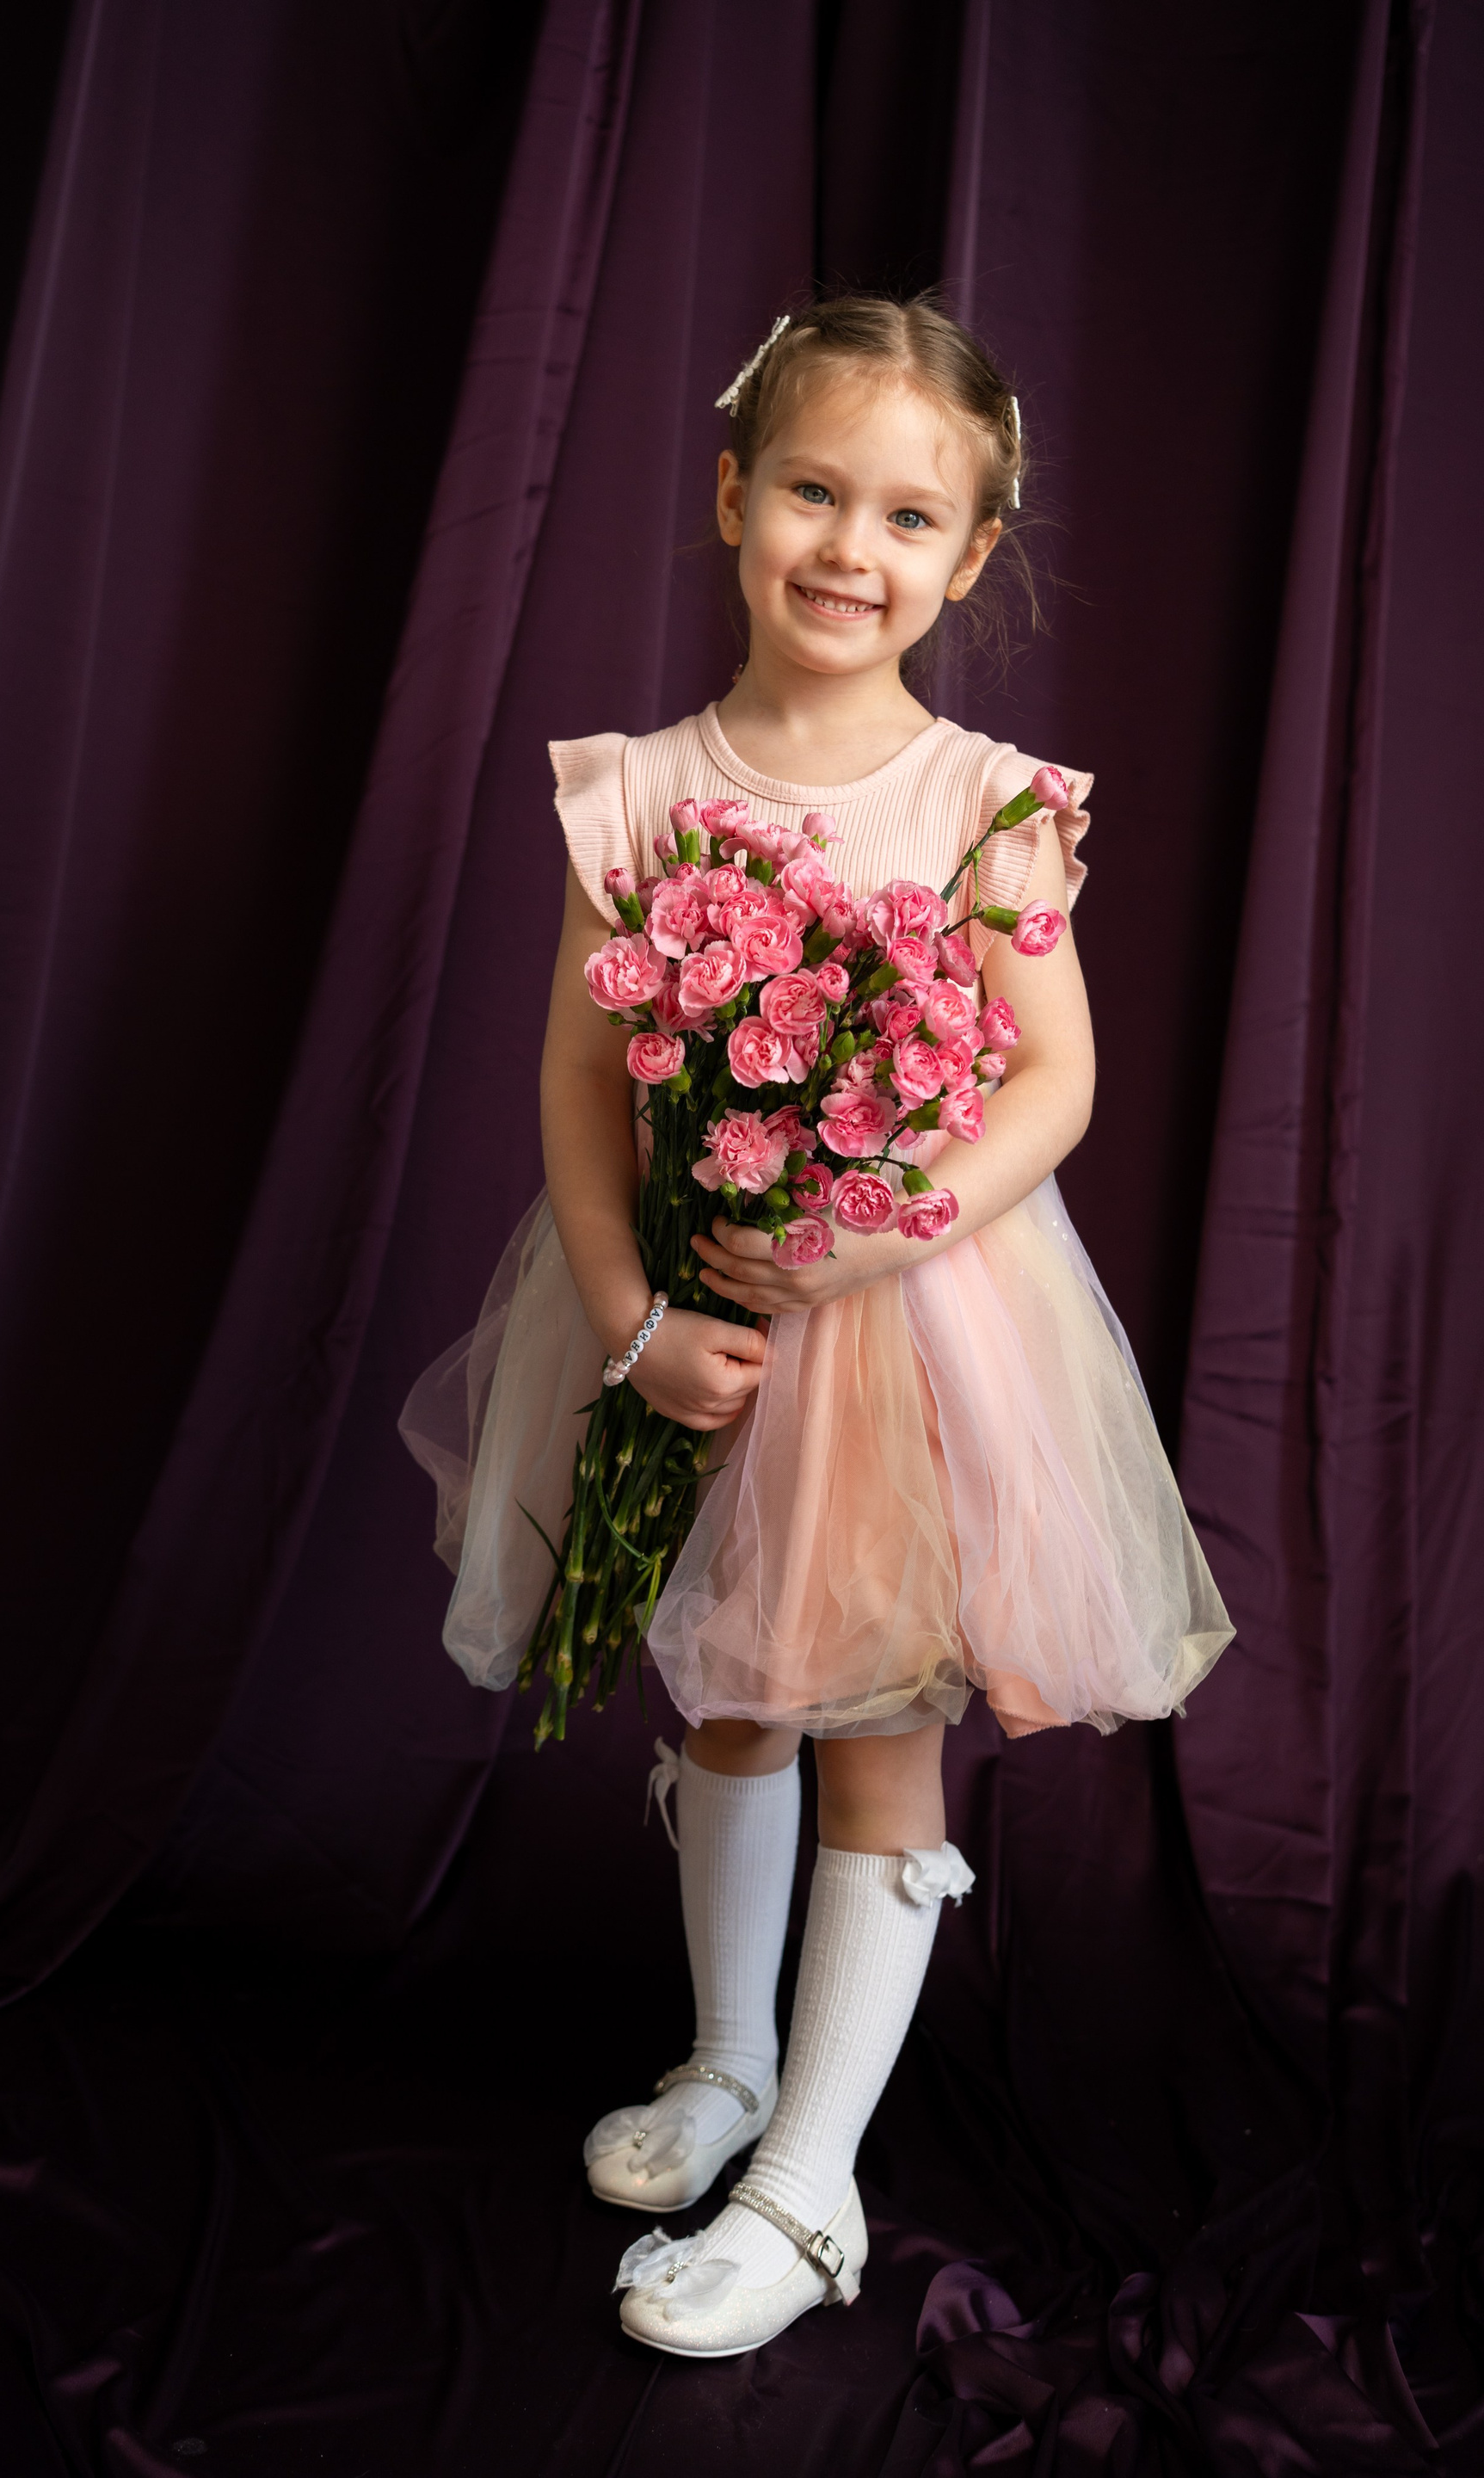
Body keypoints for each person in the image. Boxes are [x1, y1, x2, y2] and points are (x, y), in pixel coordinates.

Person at [401, 293, 1231, 2359]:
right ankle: (729, 2061)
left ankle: (810, 2185)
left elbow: (1057, 1080)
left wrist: (879, 1232)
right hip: (699, 1326)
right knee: (726, 1701)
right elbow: (577, 1083)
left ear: (970, 553)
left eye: (908, 516)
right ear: (733, 498)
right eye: (812, 492)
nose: (851, 547)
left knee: (874, 1729)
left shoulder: (989, 800)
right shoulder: (633, 792)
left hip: (914, 1340)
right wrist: (629, 1325)